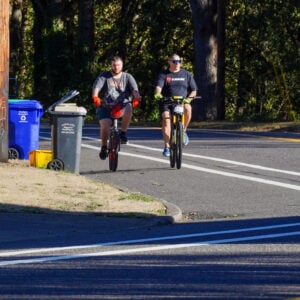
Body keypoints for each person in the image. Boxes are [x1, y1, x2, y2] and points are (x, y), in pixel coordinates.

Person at [92, 56, 140, 160]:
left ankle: (123, 134)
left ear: (122, 66)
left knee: (129, 106)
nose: (116, 67)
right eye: (114, 65)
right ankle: (104, 147)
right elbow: (97, 87)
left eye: (118, 65)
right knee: (105, 125)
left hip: (121, 106)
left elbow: (135, 90)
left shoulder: (127, 77)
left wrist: (136, 98)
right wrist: (95, 96)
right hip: (105, 106)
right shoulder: (104, 76)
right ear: (111, 66)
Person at [154, 53, 198, 157]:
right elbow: (158, 87)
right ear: (169, 62)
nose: (177, 63)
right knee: (166, 120)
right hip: (167, 102)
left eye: (179, 61)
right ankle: (167, 146)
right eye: (174, 61)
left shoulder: (186, 74)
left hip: (181, 101)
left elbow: (194, 90)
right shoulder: (164, 75)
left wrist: (189, 99)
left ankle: (183, 131)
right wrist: (157, 94)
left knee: (188, 108)